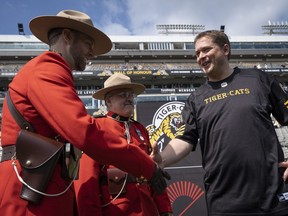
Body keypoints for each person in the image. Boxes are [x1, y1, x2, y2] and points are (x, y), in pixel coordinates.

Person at [0, 10, 168, 216]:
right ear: (68, 36)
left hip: (39, 185)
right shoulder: (47, 68)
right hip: (30, 191)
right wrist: (147, 167)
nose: (92, 53)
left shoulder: (51, 70)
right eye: (89, 43)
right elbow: (84, 132)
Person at [152, 30, 288, 216]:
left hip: (272, 195)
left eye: (206, 50)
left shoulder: (259, 79)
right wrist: (162, 160)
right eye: (197, 53)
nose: (201, 57)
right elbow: (185, 138)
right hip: (223, 200)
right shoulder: (196, 98)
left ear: (225, 49)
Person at [74, 73, 173, 216]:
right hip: (115, 210)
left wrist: (165, 209)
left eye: (130, 95)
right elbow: (87, 180)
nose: (129, 98)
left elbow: (154, 174)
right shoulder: (97, 128)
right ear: (108, 102)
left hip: (147, 209)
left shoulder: (140, 130)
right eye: (122, 95)